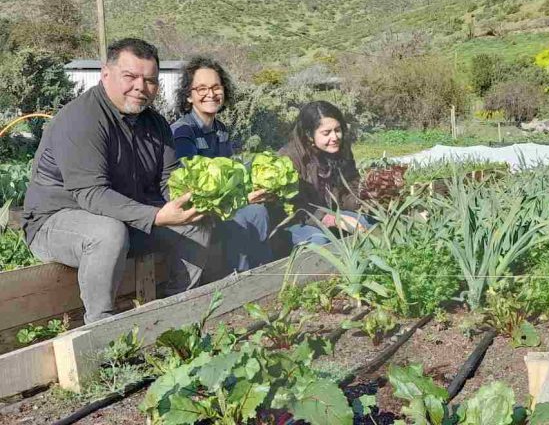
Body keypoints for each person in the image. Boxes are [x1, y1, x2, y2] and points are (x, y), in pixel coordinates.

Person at [22, 38, 213, 324]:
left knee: (194, 223)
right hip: (56, 222)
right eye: (130, 76)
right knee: (106, 233)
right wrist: (157, 215)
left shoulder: (156, 124)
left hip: (124, 218)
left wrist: (197, 200)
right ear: (106, 74)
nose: (140, 86)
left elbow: (169, 180)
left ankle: (177, 313)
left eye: (150, 80)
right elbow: (91, 195)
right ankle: (101, 329)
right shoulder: (83, 118)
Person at [171, 56, 272, 271]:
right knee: (241, 222)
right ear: (189, 96)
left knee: (260, 211)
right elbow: (190, 188)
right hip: (196, 210)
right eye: (202, 88)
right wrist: (242, 199)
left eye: (217, 87)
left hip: (220, 204)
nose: (211, 94)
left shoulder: (220, 129)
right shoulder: (183, 132)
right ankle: (236, 281)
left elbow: (230, 173)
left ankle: (258, 275)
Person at [279, 100, 368, 246]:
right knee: (319, 241)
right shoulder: (289, 158)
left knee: (365, 222)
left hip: (333, 214)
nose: (334, 137)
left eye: (337, 130)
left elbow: (350, 189)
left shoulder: (342, 150)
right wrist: (331, 219)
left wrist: (367, 201)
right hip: (299, 221)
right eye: (326, 133)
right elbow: (295, 207)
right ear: (309, 134)